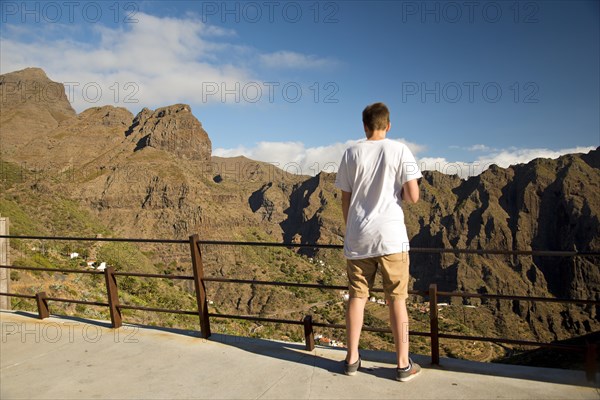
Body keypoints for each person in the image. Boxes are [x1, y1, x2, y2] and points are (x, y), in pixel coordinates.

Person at [334, 102, 422, 382]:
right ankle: (402, 364)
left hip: (358, 237)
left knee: (357, 296)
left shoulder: (351, 152)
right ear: (388, 125)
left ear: (364, 126)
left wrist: (352, 230)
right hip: (391, 238)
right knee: (397, 299)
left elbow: (345, 200)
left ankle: (351, 359)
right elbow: (413, 196)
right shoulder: (401, 150)